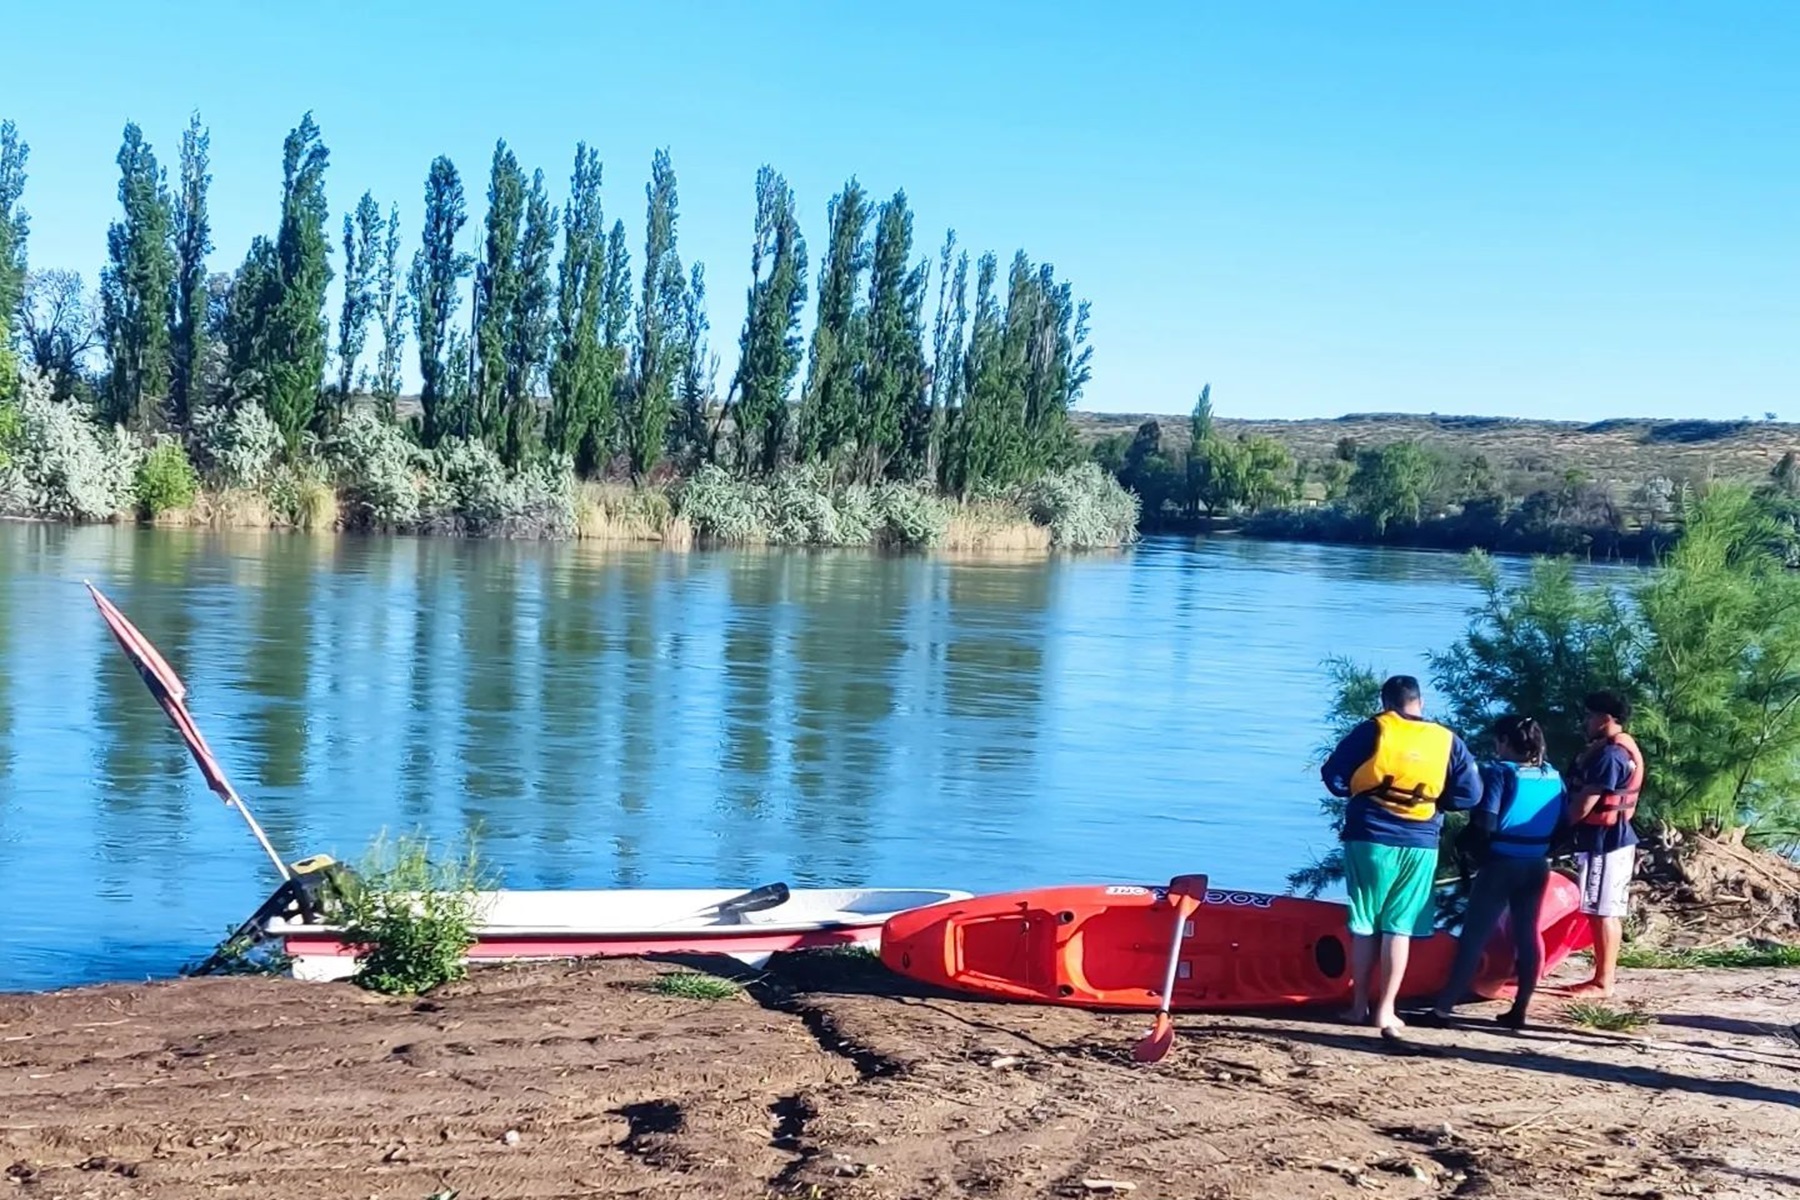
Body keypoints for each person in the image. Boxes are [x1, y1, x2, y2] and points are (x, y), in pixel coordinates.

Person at [1321, 675, 1482, 1034]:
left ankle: (1358, 1005)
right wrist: (1438, 802)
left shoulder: (1374, 729)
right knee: (1399, 927)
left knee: (1365, 923)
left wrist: (1358, 794)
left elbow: (1333, 775)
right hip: (1421, 839)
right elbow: (1471, 795)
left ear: (1386, 702)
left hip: (1369, 837)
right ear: (1419, 702)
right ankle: (1386, 1011)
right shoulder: (1447, 740)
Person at [1414, 716, 1565, 1031]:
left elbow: (1485, 823)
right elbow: (1562, 822)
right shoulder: (1552, 776)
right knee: (1528, 933)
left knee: (1473, 937)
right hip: (1536, 864)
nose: (1496, 748)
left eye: (1498, 741)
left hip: (1501, 864)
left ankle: (1442, 1010)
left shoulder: (1499, 774)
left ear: (1506, 742)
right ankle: (1520, 1009)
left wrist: (1465, 845)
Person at [1565, 690, 1643, 998]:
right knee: (1599, 908)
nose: (1586, 721)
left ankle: (1603, 981)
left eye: (1590, 716)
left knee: (1604, 910)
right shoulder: (1610, 749)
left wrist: (1560, 828)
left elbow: (1586, 803)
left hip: (1608, 842)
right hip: (1608, 839)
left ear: (1606, 719)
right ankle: (1601, 978)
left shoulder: (1612, 756)